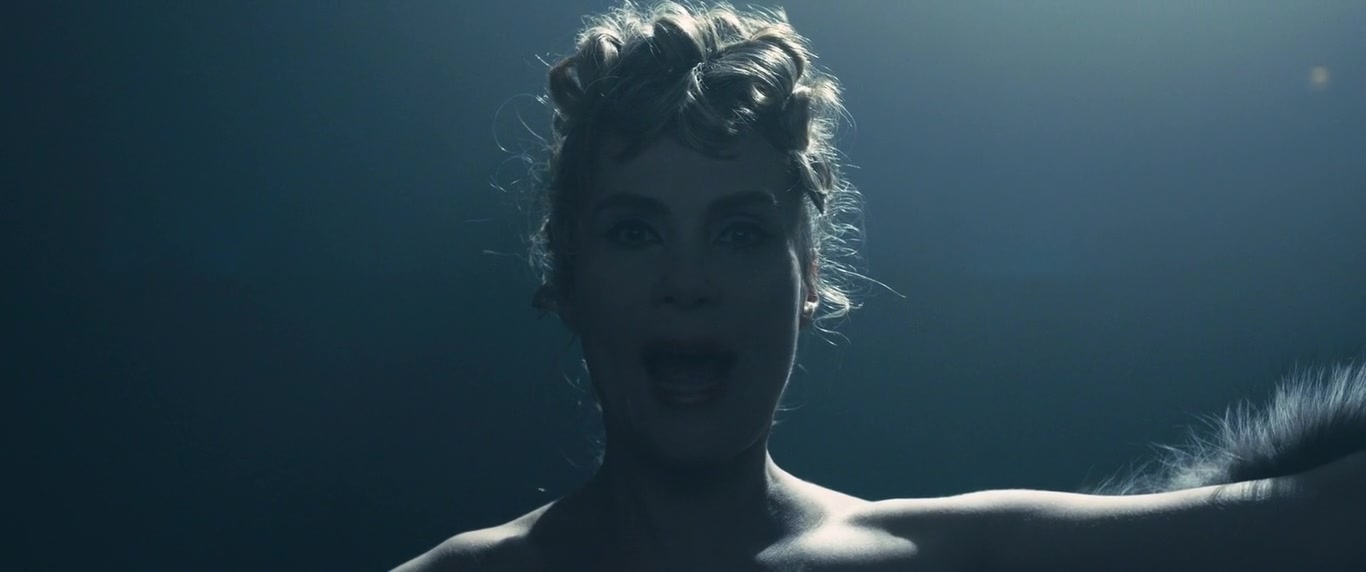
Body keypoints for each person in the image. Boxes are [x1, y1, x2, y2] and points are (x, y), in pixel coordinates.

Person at [394, 2, 1366, 570]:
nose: (686, 281)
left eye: (740, 232)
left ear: (809, 275)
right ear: (567, 274)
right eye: (636, 232)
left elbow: (1319, 519)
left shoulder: (947, 559)